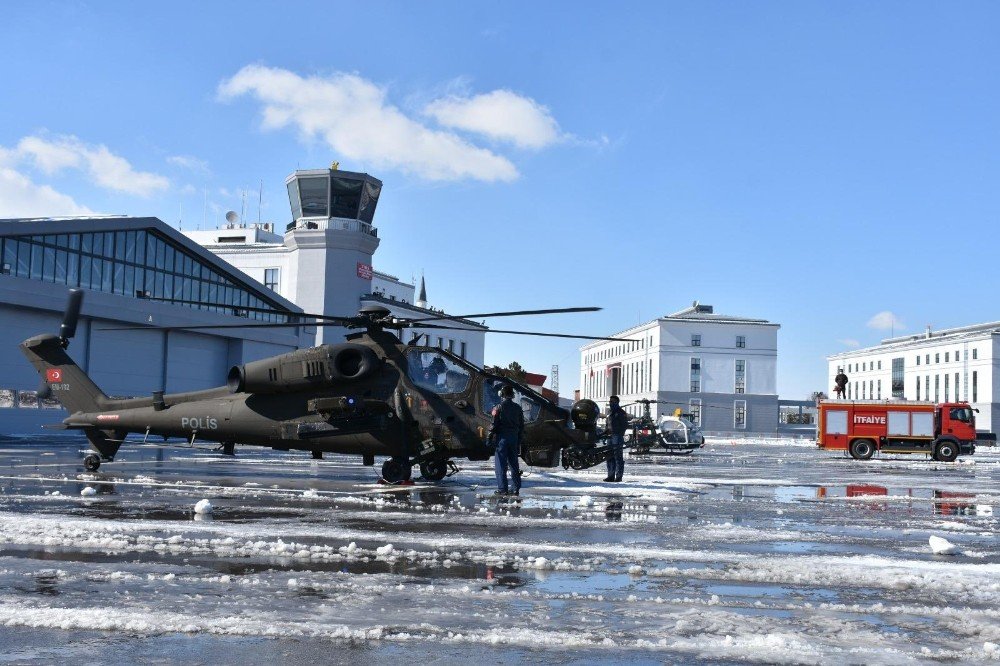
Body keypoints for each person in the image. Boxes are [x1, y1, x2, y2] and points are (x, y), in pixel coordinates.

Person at [490, 384, 524, 495]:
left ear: (502, 394)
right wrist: (519, 440)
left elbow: (493, 425)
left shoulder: (498, 407)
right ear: (512, 395)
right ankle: (515, 488)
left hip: (502, 439)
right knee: (514, 464)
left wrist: (489, 438)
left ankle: (502, 490)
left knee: (500, 465)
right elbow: (522, 426)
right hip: (513, 439)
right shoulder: (518, 408)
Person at [605, 395, 628, 482]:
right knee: (609, 456)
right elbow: (607, 425)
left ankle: (618, 476)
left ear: (617, 402)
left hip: (617, 436)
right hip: (609, 437)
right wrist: (605, 434)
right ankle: (610, 476)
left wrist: (619, 435)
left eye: (612, 402)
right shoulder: (609, 412)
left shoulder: (621, 412)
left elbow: (624, 425)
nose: (610, 403)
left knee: (618, 457)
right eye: (610, 402)